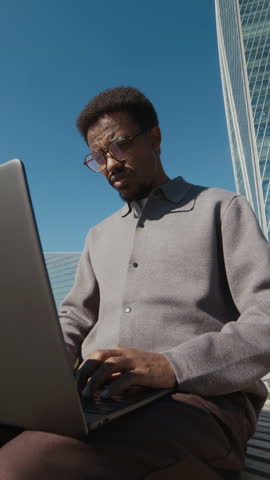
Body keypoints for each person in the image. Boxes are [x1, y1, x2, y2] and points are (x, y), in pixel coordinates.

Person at [0, 86, 270, 479]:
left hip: (199, 405)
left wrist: (171, 365)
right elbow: (73, 317)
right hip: (98, 399)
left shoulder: (221, 208)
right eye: (98, 156)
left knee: (24, 466)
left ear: (155, 138)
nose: (110, 164)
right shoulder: (98, 235)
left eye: (119, 146)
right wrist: (37, 372)